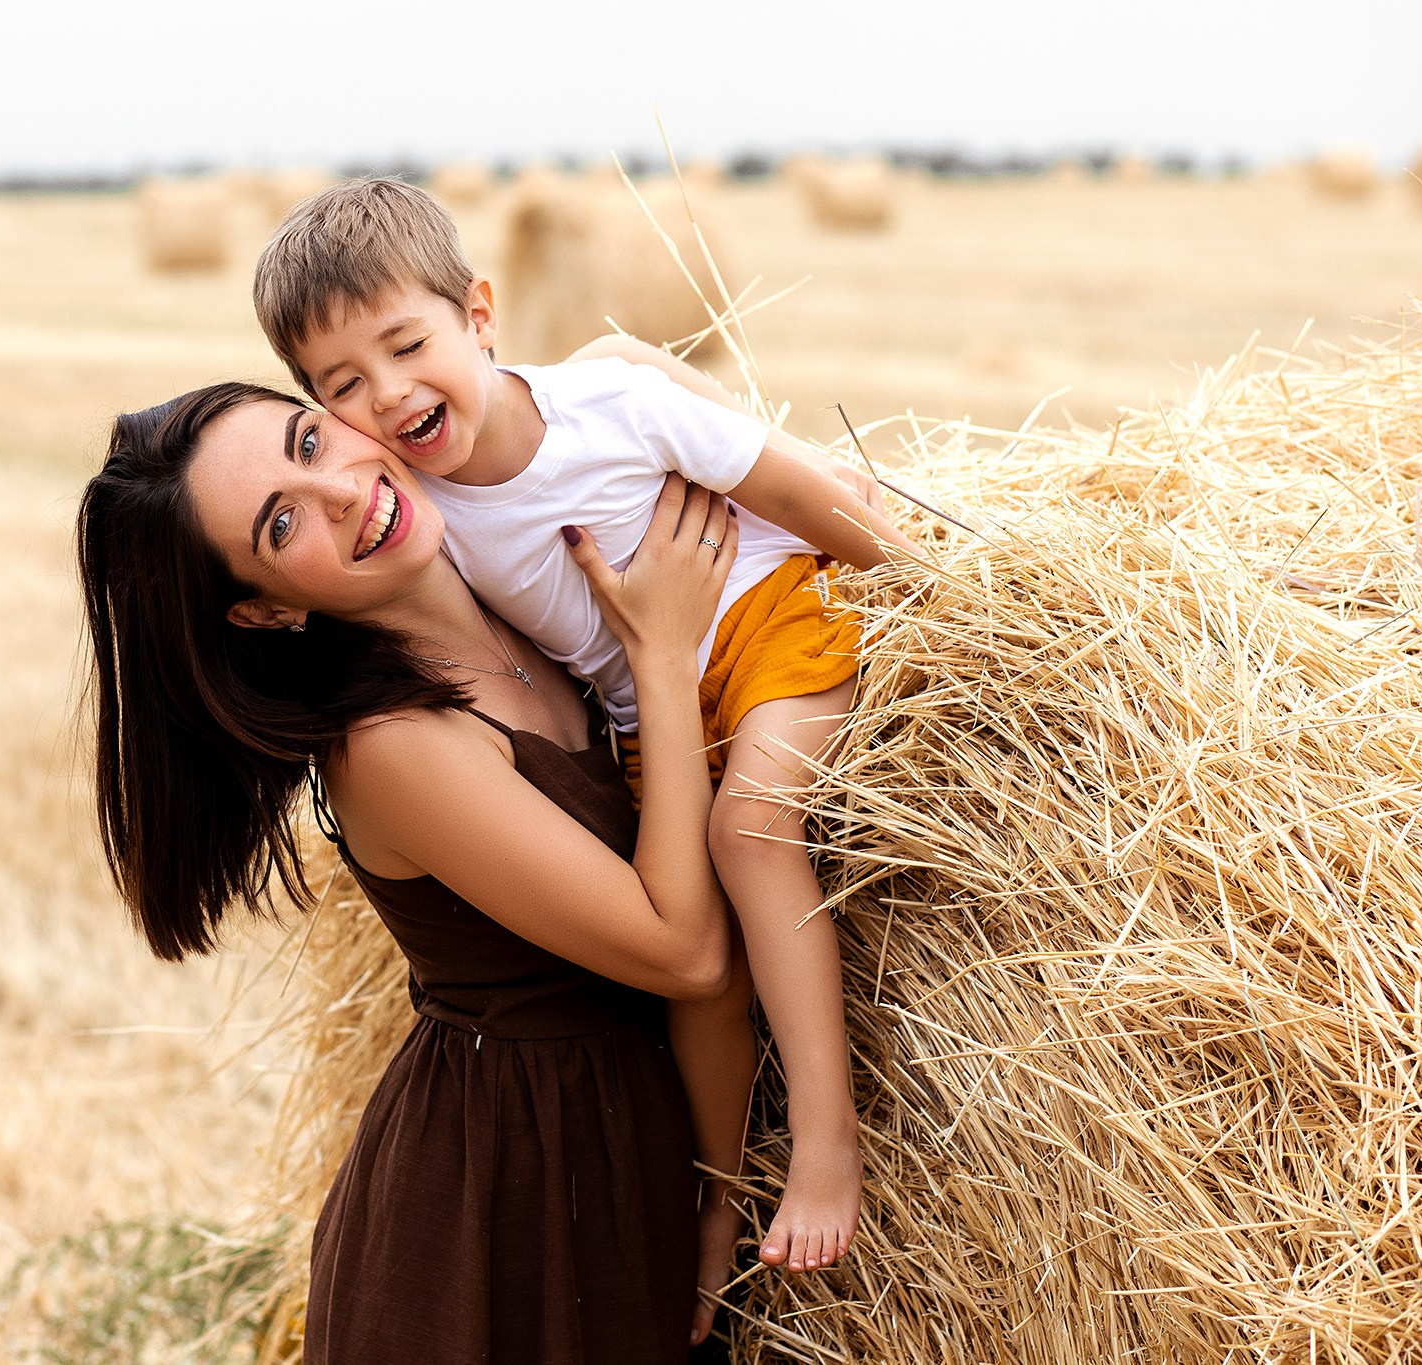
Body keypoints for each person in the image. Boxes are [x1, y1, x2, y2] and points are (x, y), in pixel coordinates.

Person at [251, 178, 933, 1281]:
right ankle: (715, 1198)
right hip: (644, 718)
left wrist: (951, 593)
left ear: (479, 313)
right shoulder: (427, 525)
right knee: (692, 981)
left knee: (751, 833)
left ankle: (824, 1146)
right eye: (344, 386)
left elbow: (794, 485)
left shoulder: (611, 404)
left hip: (762, 627)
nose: (387, 392)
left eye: (405, 344)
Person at [76, 378, 746, 1360]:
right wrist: (662, 655)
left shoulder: (529, 592)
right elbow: (683, 951)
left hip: (617, 1145)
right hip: (502, 1201)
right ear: (262, 612)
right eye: (279, 523)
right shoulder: (389, 746)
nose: (340, 492)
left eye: (309, 442)